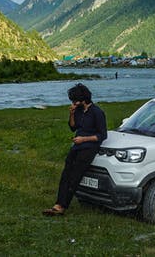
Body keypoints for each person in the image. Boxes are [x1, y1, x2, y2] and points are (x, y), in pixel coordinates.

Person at [43, 83, 107, 216]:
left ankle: (61, 206)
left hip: (89, 148)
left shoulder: (97, 112)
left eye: (75, 100)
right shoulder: (78, 110)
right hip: (77, 146)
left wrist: (84, 139)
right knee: (66, 174)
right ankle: (58, 203)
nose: (73, 102)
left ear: (83, 99)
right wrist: (71, 114)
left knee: (74, 177)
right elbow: (73, 127)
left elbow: (102, 135)